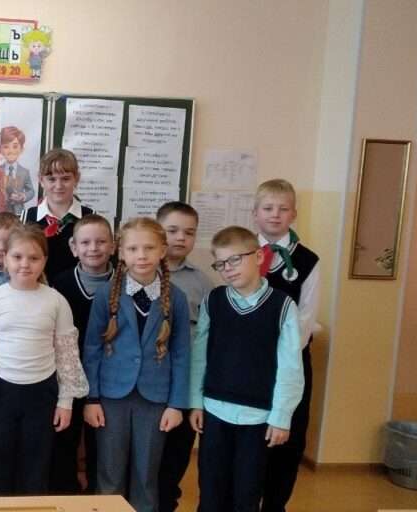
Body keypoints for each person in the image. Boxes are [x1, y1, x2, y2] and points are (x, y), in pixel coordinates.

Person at [0, 224, 89, 495]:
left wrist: (65, 401)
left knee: (35, 467)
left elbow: (67, 353)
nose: (25, 264)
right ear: (5, 258)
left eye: (34, 258)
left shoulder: (56, 301)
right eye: (17, 257)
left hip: (42, 394)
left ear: (44, 261)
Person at [189, 226, 304, 512]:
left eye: (235, 259)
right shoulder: (214, 301)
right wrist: (195, 402)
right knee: (211, 493)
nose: (227, 269)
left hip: (259, 418)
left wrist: (281, 416)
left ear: (258, 257)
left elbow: (290, 367)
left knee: (247, 494)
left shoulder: (282, 305)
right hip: (214, 411)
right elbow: (199, 356)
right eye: (220, 264)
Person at [83, 217, 191, 512]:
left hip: (155, 399)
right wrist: (91, 398)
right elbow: (92, 348)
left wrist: (176, 404)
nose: (141, 255)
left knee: (146, 474)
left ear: (162, 250)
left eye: (149, 248)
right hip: (111, 398)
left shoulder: (176, 298)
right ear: (121, 253)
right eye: (132, 249)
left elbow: (182, 353)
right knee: (109, 472)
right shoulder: (106, 294)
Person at [251, 179, 320, 512]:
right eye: (268, 208)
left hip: (289, 364)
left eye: (283, 209)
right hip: (249, 364)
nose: (275, 215)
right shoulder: (242, 252)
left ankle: (275, 504)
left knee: (286, 439)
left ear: (294, 214)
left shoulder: (307, 260)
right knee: (251, 438)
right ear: (255, 213)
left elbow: (306, 318)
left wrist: (282, 355)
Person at [48, 214, 115, 493]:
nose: (93, 248)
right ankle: (66, 494)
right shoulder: (59, 284)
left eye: (101, 241)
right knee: (64, 439)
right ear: (74, 248)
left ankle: (98, 495)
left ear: (113, 246)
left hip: (110, 377)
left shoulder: (124, 283)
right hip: (67, 375)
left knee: (103, 441)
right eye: (85, 242)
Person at [155, 201, 215, 511]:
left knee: (175, 458)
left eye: (189, 232)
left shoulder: (202, 282)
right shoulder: (141, 271)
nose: (180, 237)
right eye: (173, 230)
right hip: (147, 381)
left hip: (185, 382)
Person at [20, 149, 94, 281]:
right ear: (41, 180)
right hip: (36, 288)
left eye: (65, 179)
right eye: (51, 179)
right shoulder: (27, 217)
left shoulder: (90, 217)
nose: (58, 186)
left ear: (76, 179)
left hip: (77, 290)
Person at [0, 126, 35, 216]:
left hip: (18, 212)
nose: (11, 151)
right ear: (0, 150)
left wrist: (23, 196)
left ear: (21, 149)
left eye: (15, 146)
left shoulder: (24, 172)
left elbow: (31, 191)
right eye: (6, 147)